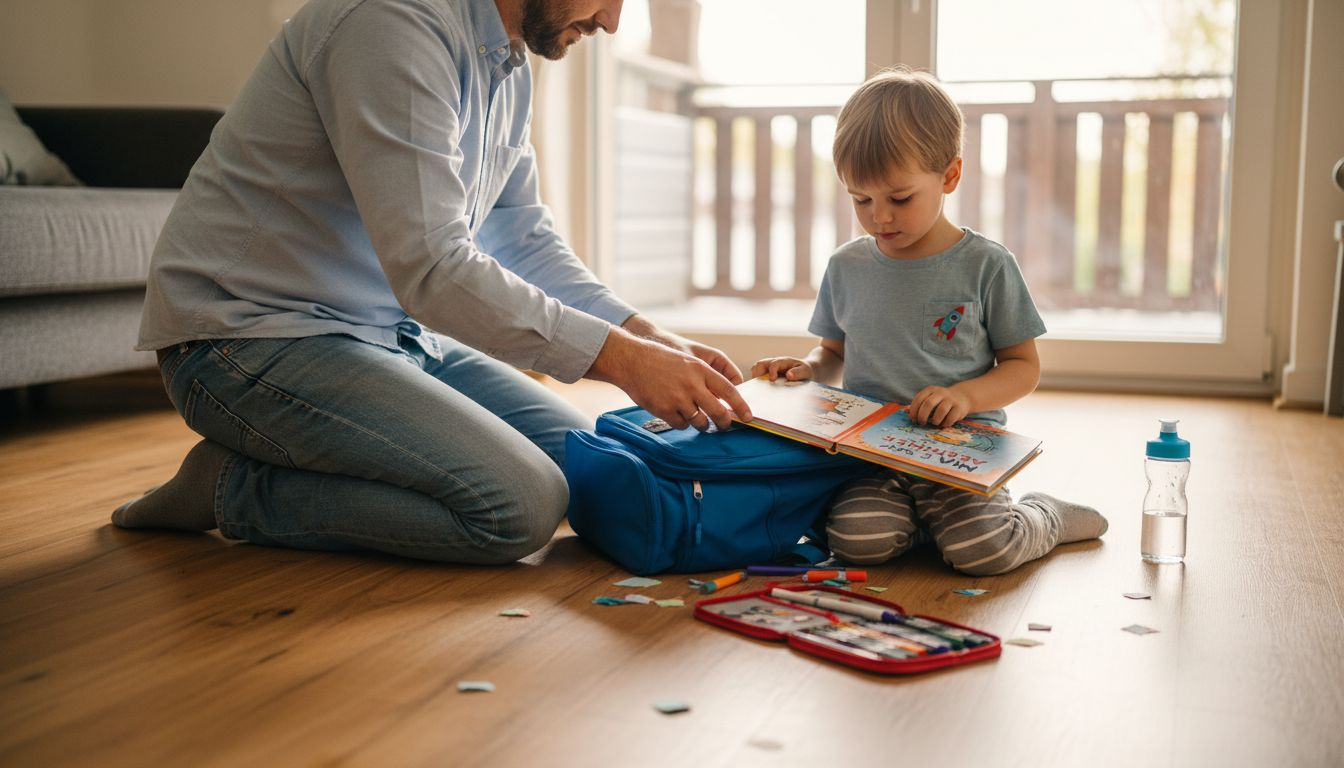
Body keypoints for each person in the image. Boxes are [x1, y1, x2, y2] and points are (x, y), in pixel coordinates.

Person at [112, 0, 751, 564]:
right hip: (248, 339)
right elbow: (433, 266)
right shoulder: (388, 23)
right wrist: (622, 360)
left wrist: (643, 334)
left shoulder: (506, 63)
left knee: (580, 467)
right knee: (517, 507)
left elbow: (521, 236)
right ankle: (232, 486)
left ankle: (304, 454)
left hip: (393, 335)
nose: (613, 21)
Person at [750, 68, 1106, 575]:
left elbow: (1023, 366)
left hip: (962, 452)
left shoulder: (987, 264)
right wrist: (807, 370)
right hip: (873, 454)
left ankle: (1043, 515)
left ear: (950, 176)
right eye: (860, 200)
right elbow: (832, 353)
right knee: (856, 541)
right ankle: (928, 527)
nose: (879, 218)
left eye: (899, 198)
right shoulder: (846, 266)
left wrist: (966, 397)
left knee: (986, 551)